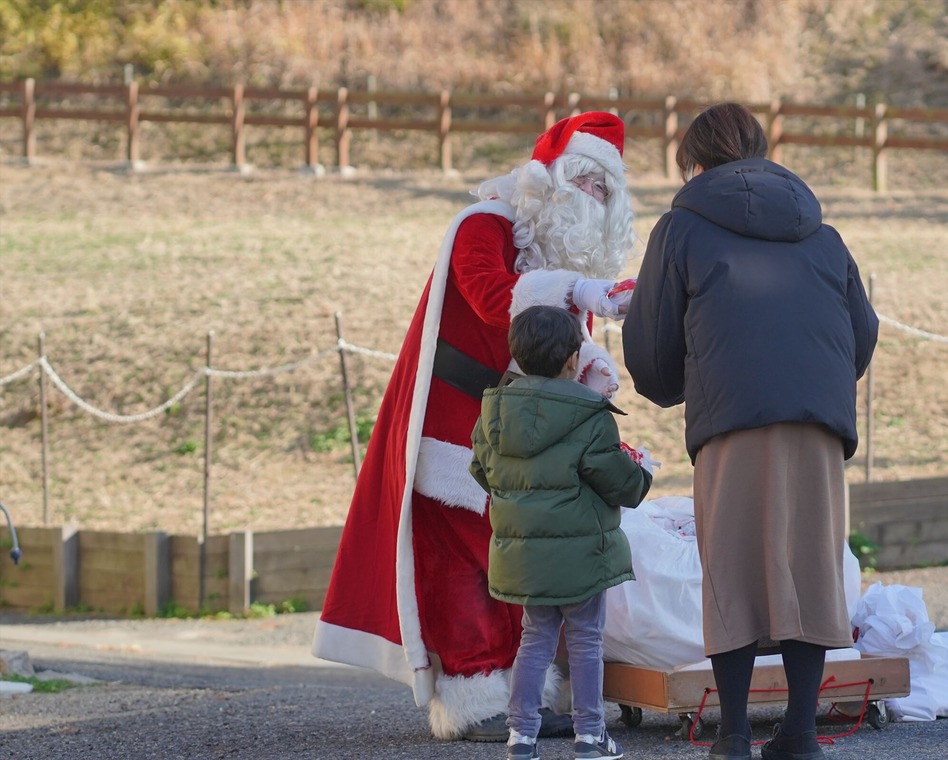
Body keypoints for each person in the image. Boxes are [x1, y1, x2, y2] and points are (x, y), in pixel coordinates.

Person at [312, 112, 639, 741]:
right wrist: (580, 288)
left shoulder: (559, 258)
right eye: (584, 181)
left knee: (518, 562)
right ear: (547, 177)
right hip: (455, 422)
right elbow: (493, 297)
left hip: (524, 429)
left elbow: (563, 351)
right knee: (461, 559)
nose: (592, 199)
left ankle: (522, 698)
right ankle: (474, 695)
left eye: (605, 190)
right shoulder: (482, 226)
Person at [622, 103, 878, 760]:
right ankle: (800, 732)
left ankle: (733, 734)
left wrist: (694, 380)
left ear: (696, 161)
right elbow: (864, 331)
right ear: (763, 152)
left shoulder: (681, 228)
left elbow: (651, 350)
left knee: (732, 565)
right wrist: (817, 380)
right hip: (819, 420)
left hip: (732, 417)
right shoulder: (821, 233)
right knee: (810, 565)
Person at [470, 304, 654, 760]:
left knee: (534, 639)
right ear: (574, 359)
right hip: (582, 554)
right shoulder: (589, 414)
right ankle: (591, 735)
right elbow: (621, 484)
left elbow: (481, 470)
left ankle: (521, 736)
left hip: (524, 554)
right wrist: (642, 472)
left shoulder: (493, 412)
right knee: (586, 638)